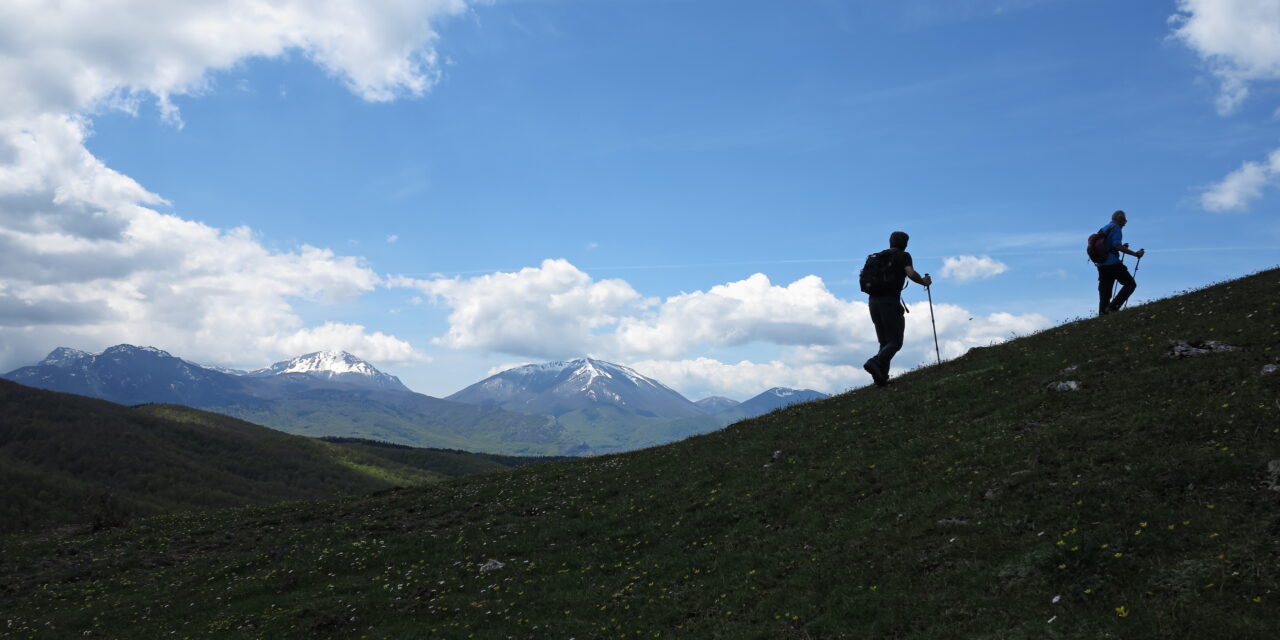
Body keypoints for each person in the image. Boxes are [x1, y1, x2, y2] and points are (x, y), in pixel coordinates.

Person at [862, 231, 931, 387]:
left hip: (873, 301)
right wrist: (924, 281)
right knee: (895, 341)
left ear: (890, 242)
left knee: (884, 341)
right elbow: (910, 273)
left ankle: (881, 378)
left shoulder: (877, 257)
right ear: (905, 243)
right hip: (890, 301)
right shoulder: (903, 256)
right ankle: (875, 362)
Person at [1093, 210, 1145, 316]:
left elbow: (1108, 245)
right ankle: (1113, 308)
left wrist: (1120, 248)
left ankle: (1103, 314)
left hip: (1101, 264)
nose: (1124, 224)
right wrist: (1135, 254)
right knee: (1130, 284)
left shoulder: (1104, 228)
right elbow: (1117, 245)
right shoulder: (1116, 228)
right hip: (1112, 263)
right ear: (1119, 219)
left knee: (1105, 292)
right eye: (1124, 221)